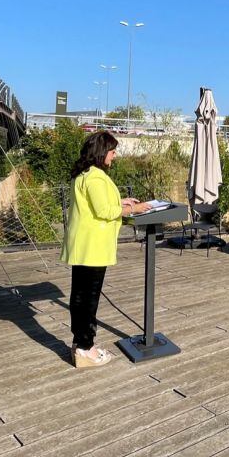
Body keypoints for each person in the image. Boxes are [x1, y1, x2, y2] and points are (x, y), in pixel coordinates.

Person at [61, 130, 155, 367]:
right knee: (88, 299)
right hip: (93, 247)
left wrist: (120, 201)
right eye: (112, 152)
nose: (114, 156)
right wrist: (136, 208)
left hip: (83, 246)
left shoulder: (85, 174)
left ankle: (81, 344)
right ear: (102, 152)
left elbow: (97, 204)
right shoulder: (95, 177)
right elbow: (104, 211)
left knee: (80, 296)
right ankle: (85, 348)